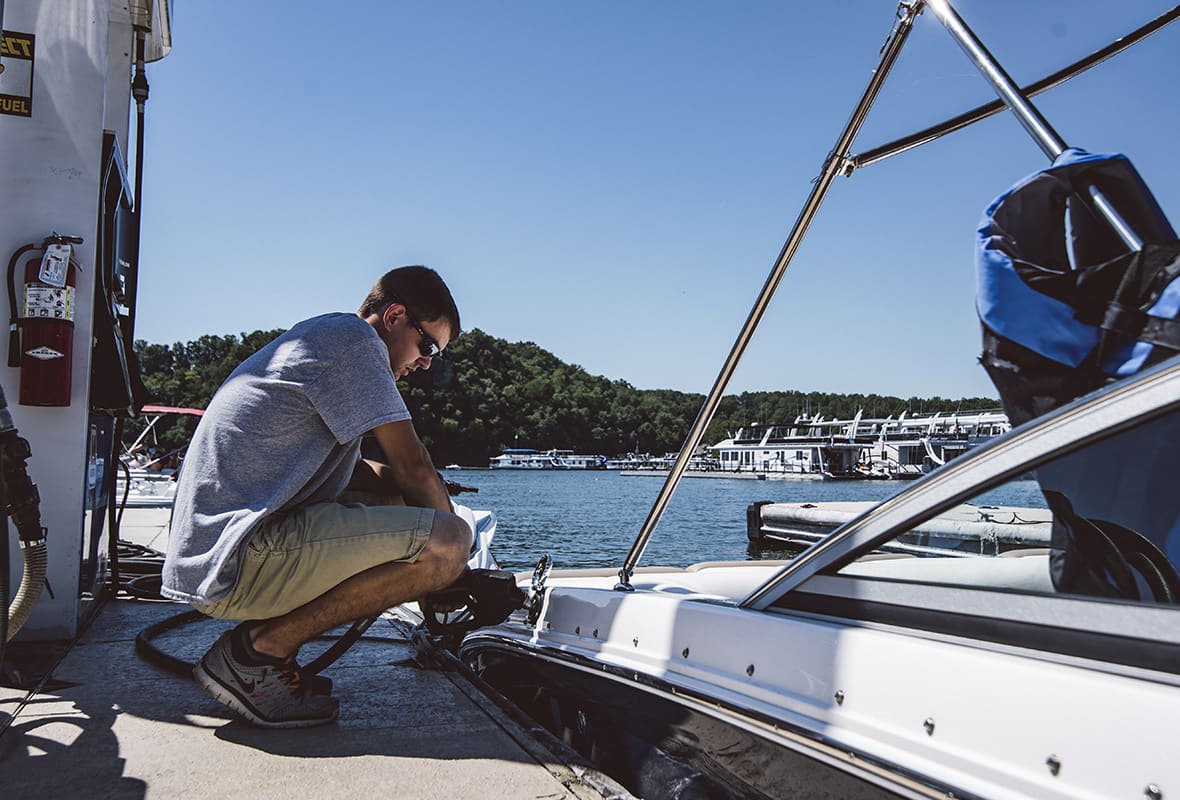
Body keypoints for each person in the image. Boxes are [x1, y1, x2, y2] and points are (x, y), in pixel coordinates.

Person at [161, 265, 473, 728]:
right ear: (394, 316)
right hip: (236, 559)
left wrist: (425, 495)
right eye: (427, 346)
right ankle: (258, 653)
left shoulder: (326, 339)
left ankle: (265, 649)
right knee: (449, 541)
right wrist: (453, 573)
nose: (427, 363)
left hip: (221, 553)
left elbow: (375, 476)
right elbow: (414, 465)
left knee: (409, 506)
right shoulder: (355, 344)